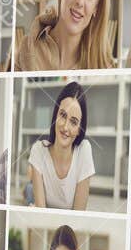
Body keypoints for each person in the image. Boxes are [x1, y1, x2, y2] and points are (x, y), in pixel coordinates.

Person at [27, 81, 95, 211]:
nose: (65, 127)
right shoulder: (38, 149)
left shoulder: (84, 150)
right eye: (63, 115)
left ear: (80, 129)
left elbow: (79, 214)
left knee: (29, 191)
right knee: (30, 192)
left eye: (73, 122)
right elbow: (42, 212)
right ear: (55, 115)